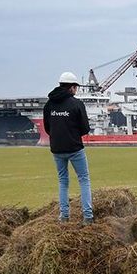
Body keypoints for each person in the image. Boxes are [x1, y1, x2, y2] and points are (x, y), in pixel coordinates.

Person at [42, 71, 93, 224]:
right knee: (84, 180)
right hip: (75, 148)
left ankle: (64, 217)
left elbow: (47, 127)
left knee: (63, 181)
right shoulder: (77, 104)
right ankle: (88, 217)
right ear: (71, 87)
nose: (76, 91)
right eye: (75, 88)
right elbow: (85, 128)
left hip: (57, 149)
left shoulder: (49, 104)